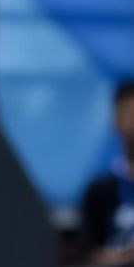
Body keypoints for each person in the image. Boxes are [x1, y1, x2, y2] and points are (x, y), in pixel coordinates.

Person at [80, 83, 134, 266]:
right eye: (129, 113)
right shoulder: (100, 190)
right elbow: (87, 252)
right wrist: (122, 257)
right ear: (115, 121)